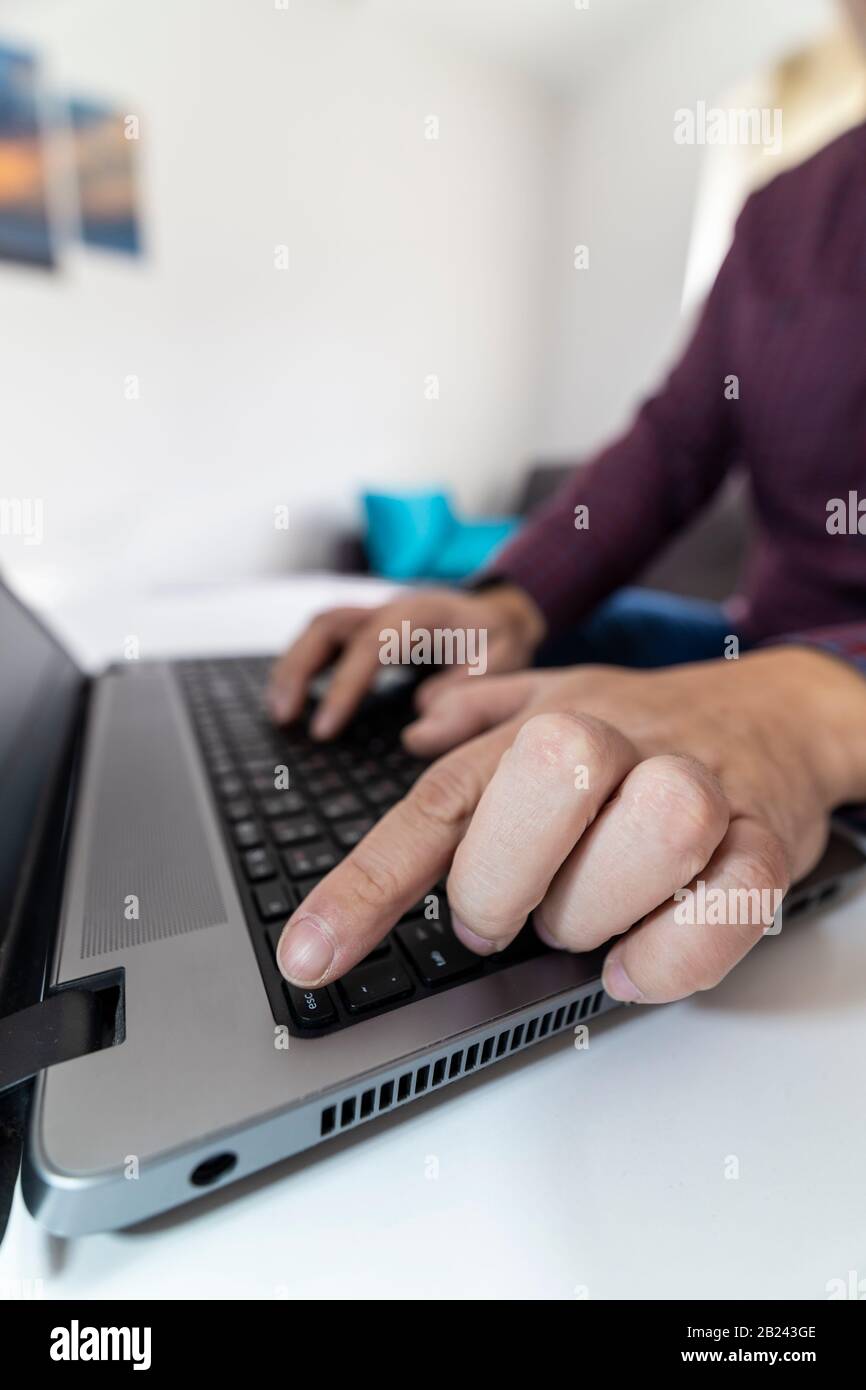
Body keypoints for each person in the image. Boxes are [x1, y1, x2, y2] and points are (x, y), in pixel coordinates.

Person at [265, 103, 866, 1008]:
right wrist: (504, 607)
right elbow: (672, 446)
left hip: (828, 684)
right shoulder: (783, 210)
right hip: (759, 639)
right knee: (455, 684)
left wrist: (815, 711)